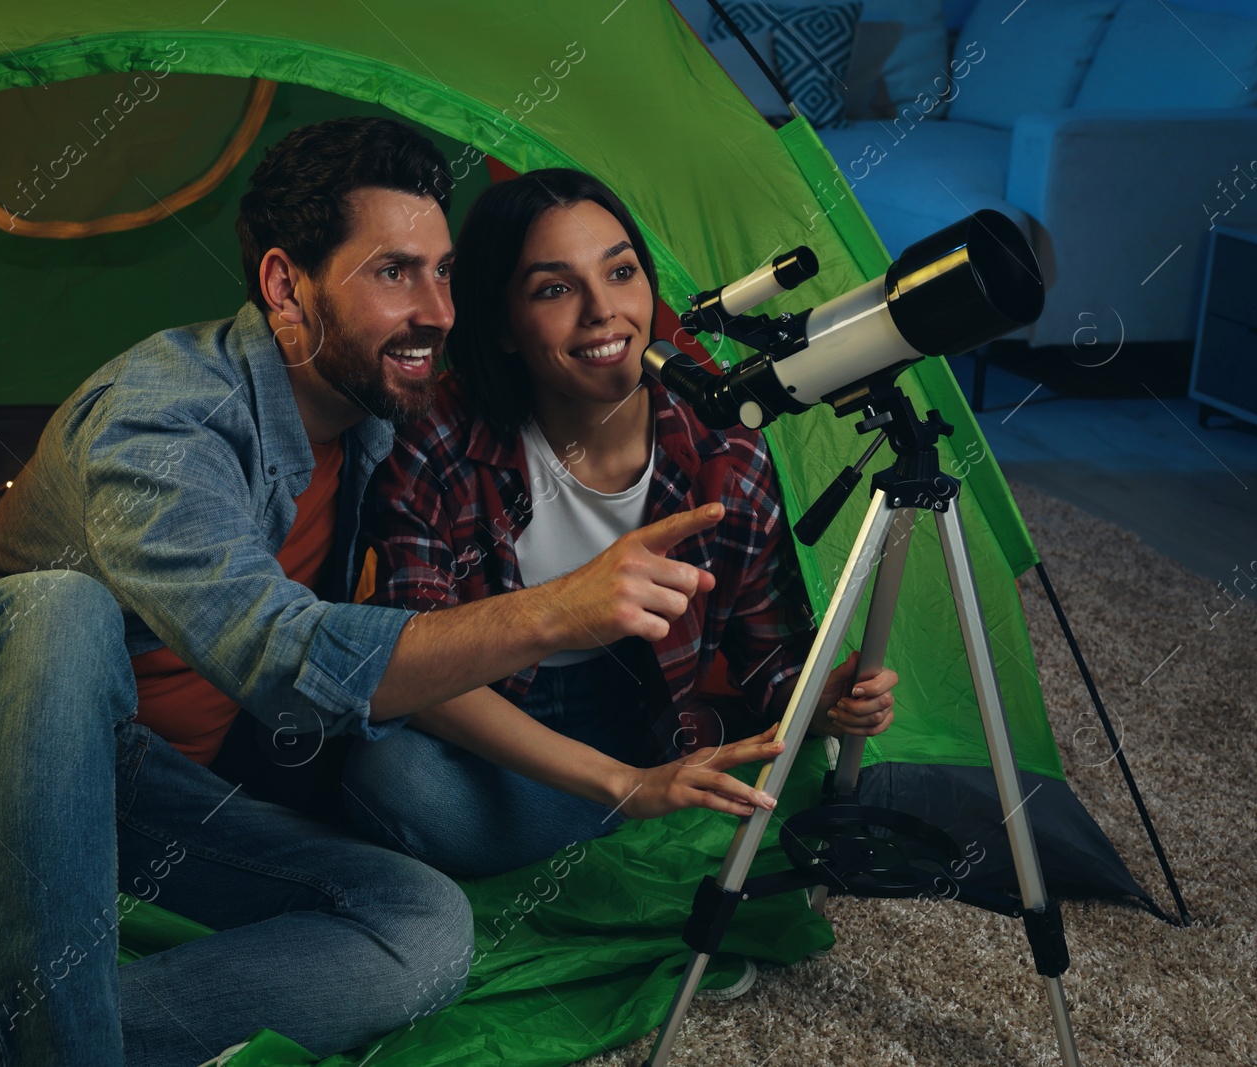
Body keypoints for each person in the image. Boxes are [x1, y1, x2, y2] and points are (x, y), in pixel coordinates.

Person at [0, 123, 739, 1067]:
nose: (437, 310)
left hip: (141, 784)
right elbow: (283, 659)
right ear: (287, 287)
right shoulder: (162, 415)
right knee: (60, 608)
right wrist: (556, 610)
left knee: (421, 921)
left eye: (446, 273)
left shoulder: (377, 420)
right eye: (393, 274)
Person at [343, 168, 899, 879]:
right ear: (503, 324)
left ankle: (620, 817)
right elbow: (410, 665)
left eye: (622, 272)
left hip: (642, 707)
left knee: (782, 759)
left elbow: (768, 655)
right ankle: (640, 825)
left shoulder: (722, 446)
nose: (604, 311)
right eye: (555, 288)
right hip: (483, 711)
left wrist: (826, 699)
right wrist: (625, 785)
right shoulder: (434, 437)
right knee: (385, 775)